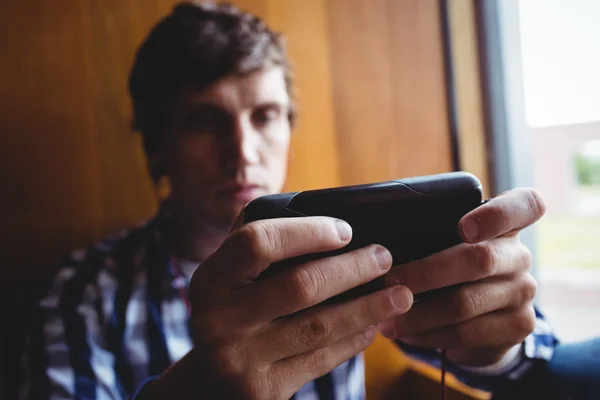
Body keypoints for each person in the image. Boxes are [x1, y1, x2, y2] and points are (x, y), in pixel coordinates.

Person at [18, 2, 593, 399]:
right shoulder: (87, 292)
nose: (241, 151)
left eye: (265, 116)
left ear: (290, 128)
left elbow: (525, 358)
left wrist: (492, 349)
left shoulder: (344, 250)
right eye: (203, 121)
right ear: (158, 147)